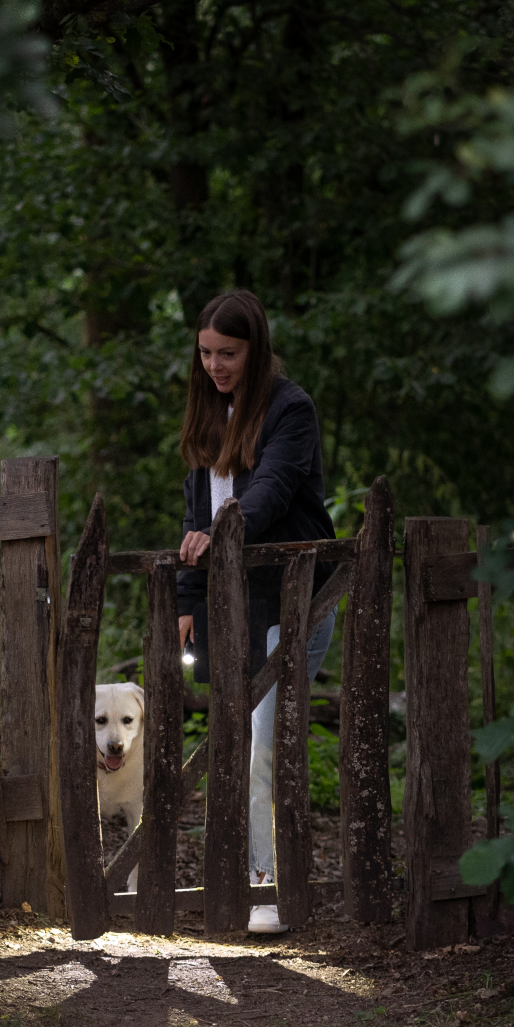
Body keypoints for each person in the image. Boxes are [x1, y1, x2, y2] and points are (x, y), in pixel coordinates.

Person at [174, 289, 338, 934]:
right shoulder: (208, 412)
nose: (216, 365)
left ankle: (270, 888)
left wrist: (228, 529)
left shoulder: (290, 408)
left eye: (230, 353)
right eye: (207, 353)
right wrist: (189, 598)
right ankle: (249, 874)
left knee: (265, 746)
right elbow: (193, 515)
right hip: (231, 604)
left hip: (295, 599)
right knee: (240, 743)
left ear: (256, 348)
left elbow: (271, 486)